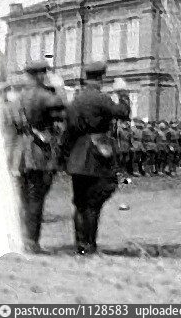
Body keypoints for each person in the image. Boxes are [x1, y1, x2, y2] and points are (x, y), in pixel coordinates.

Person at [58, 63, 131, 255]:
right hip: (96, 155)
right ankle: (90, 245)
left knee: (80, 203)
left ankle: (80, 245)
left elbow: (68, 132)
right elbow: (124, 113)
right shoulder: (100, 98)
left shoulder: (76, 100)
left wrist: (63, 157)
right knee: (93, 203)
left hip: (76, 156)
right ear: (101, 79)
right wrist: (123, 93)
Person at [8, 60, 67, 254]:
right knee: (36, 198)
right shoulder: (45, 96)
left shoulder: (18, 97)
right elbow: (62, 113)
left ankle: (23, 240)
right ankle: (32, 243)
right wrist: (60, 88)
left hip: (20, 152)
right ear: (41, 75)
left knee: (24, 199)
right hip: (39, 152)